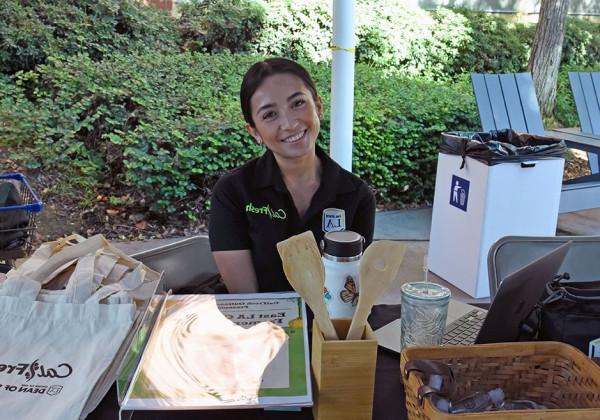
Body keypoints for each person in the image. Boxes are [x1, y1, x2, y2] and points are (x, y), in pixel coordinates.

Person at [209, 58, 375, 293]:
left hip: (328, 327)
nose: (289, 123)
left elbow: (350, 291)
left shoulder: (356, 195)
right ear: (254, 131)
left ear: (318, 106)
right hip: (259, 324)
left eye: (297, 103)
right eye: (269, 115)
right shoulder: (233, 192)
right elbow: (245, 298)